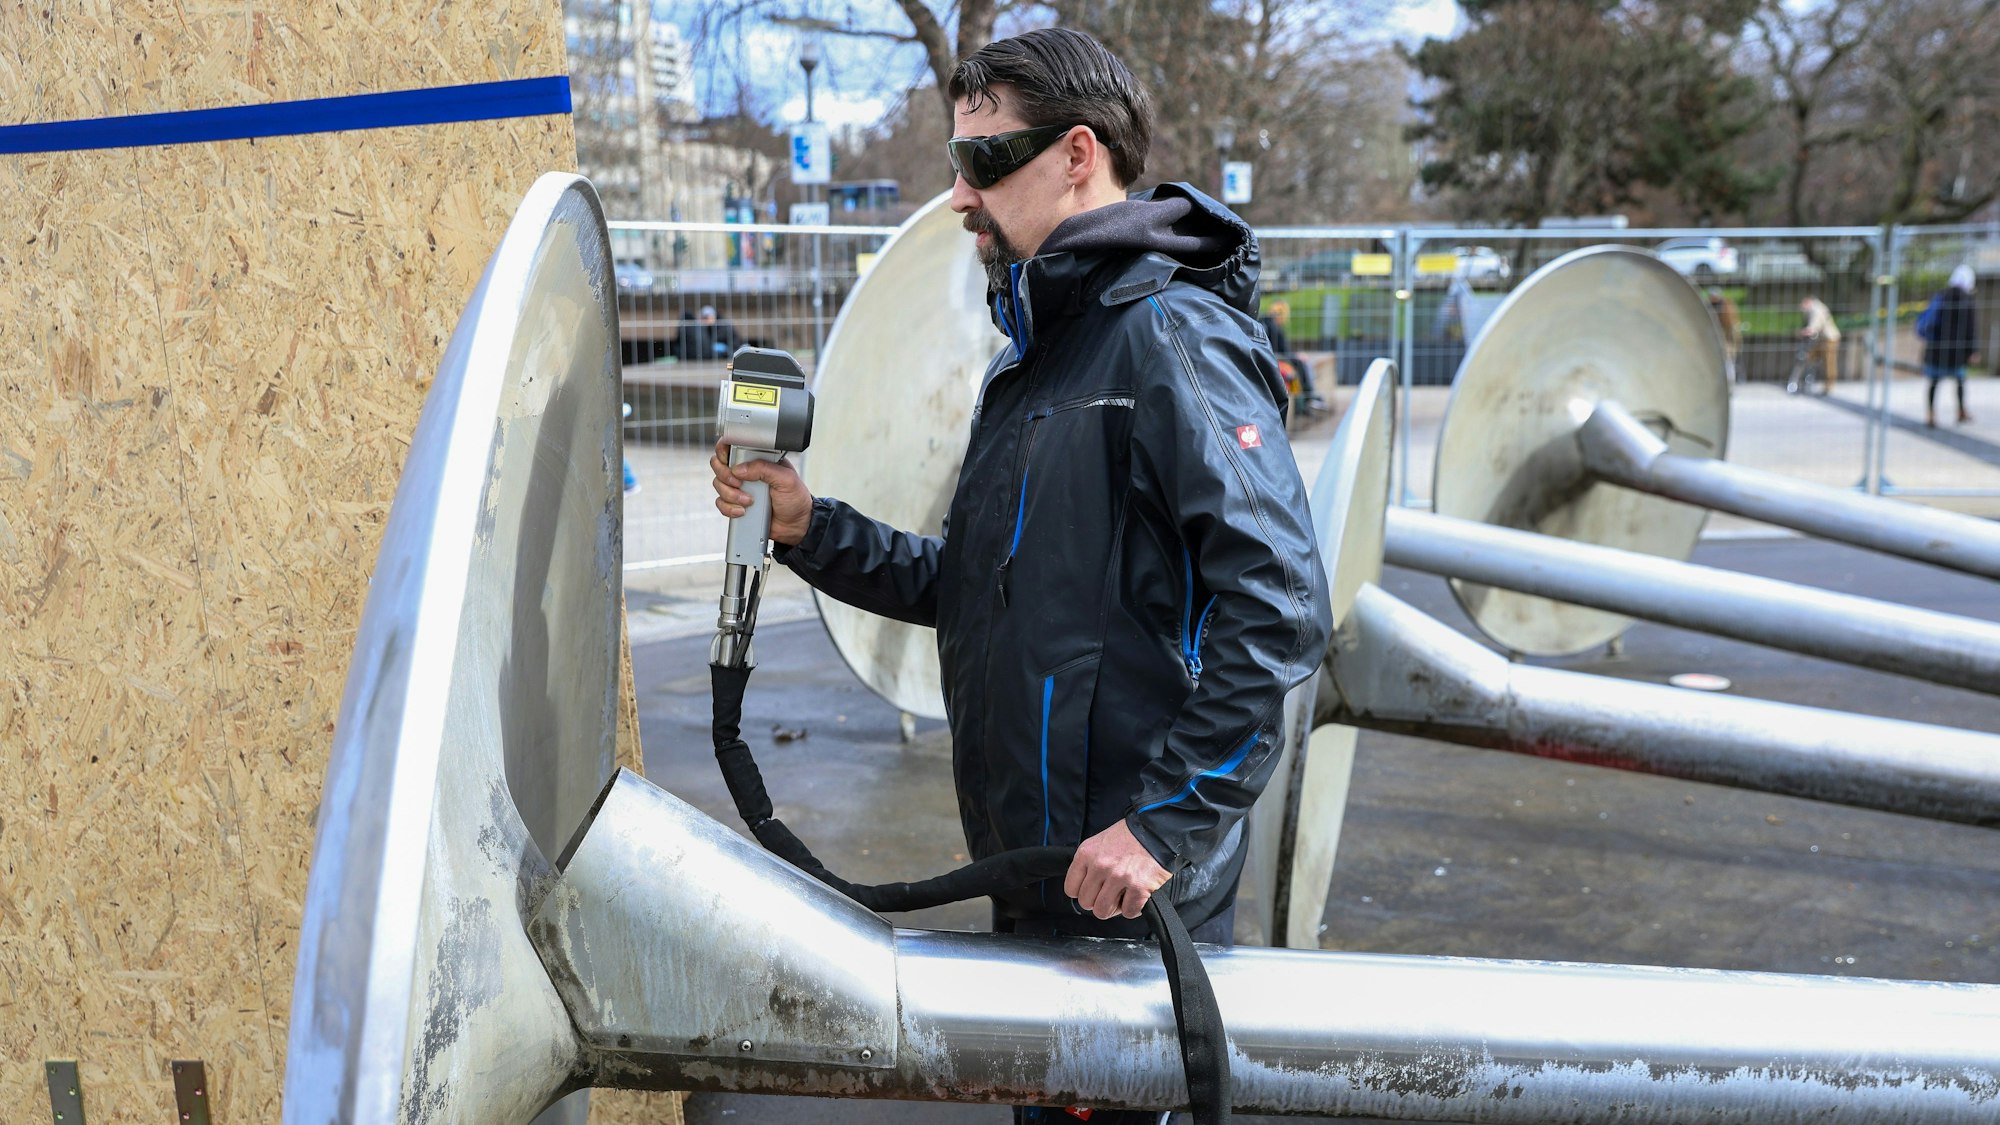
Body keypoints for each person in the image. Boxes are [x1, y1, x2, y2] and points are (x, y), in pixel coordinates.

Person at [710, 28, 1330, 1095]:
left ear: (1077, 154)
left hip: (1135, 899)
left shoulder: (1169, 339)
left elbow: (1277, 604)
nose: (958, 197)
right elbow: (973, 587)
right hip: (1039, 877)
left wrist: (1159, 828)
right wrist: (809, 527)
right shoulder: (1036, 364)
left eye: (982, 161)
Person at [1921, 265, 1980, 427]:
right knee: (1960, 380)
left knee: (1934, 381)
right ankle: (1961, 411)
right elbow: (1971, 327)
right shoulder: (1967, 299)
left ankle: (1931, 414)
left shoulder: (1941, 296)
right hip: (1957, 351)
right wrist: (1973, 350)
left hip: (1936, 348)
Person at [1259, 299, 1328, 415]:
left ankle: (1309, 397)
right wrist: (1296, 356)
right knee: (1301, 364)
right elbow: (1284, 350)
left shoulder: (1266, 322)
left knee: (1301, 363)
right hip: (1277, 357)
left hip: (1276, 355)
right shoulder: (1273, 326)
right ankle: (1309, 397)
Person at [1799, 295, 1842, 393]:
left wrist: (1810, 329)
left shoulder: (1817, 308)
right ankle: (1807, 380)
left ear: (1808, 302)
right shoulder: (1814, 308)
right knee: (1810, 357)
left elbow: (1817, 321)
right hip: (1821, 339)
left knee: (1829, 362)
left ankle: (1829, 385)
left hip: (1830, 338)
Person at [675, 304, 742, 361]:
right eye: (704, 318)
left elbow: (734, 344)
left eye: (709, 317)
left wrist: (726, 350)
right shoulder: (698, 329)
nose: (707, 320)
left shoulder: (723, 327)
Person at [1707, 287, 1741, 383]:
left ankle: (1729, 383)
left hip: (1726, 340)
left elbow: (1731, 328)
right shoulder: (1708, 306)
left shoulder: (1727, 307)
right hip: (1713, 339)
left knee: (1728, 362)